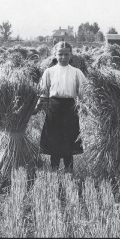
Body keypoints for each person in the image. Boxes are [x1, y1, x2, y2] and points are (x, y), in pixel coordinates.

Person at [32, 41, 86, 173]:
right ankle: (54, 170)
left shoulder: (77, 72)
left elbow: (84, 93)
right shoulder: (49, 72)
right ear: (55, 55)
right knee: (54, 139)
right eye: (60, 54)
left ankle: (69, 170)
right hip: (54, 107)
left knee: (69, 139)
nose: (63, 57)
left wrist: (85, 107)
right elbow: (44, 93)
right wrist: (36, 108)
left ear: (71, 55)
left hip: (70, 108)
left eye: (66, 54)